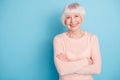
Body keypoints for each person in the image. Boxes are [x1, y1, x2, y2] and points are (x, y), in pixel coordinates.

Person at [53, 2, 101, 80]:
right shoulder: (58, 39)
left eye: (76, 16)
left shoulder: (92, 38)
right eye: (68, 17)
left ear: (81, 17)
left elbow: (97, 69)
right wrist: (85, 61)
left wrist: (68, 63)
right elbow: (62, 70)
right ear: (64, 20)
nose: (73, 21)